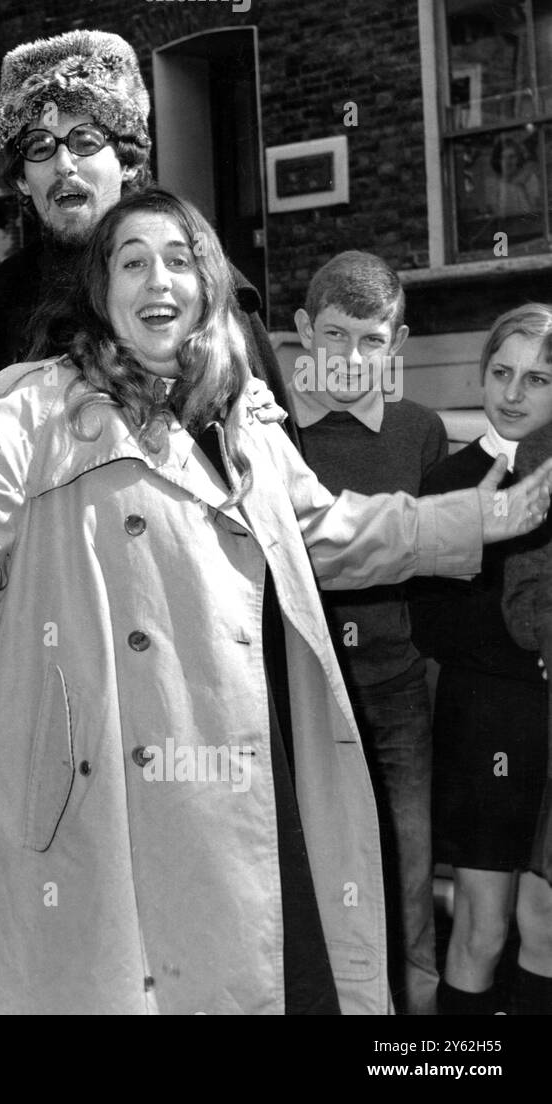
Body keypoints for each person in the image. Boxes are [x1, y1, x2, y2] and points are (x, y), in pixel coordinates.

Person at [0, 186, 552, 1014]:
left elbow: (327, 534)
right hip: (109, 789)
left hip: (244, 769)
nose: (158, 279)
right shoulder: (33, 403)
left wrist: (485, 512)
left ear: (207, 288)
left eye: (179, 260)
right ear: (100, 290)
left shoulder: (240, 416)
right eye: (133, 262)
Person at [0, 29, 295, 444]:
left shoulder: (203, 287)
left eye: (85, 140)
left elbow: (278, 478)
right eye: (39, 146)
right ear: (23, 180)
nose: (64, 163)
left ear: (128, 161)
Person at [290, 251, 447, 1014]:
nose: (351, 360)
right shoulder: (274, 433)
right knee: (319, 875)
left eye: (372, 340)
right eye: (334, 336)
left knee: (410, 868)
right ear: (301, 334)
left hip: (398, 688)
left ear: (399, 342)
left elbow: (441, 567)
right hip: (305, 695)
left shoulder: (421, 431)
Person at [426, 304, 552, 1017]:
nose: (514, 392)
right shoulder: (449, 480)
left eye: (538, 377)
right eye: (501, 372)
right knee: (482, 926)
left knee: (545, 925)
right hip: (487, 725)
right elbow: (432, 622)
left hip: (548, 726)